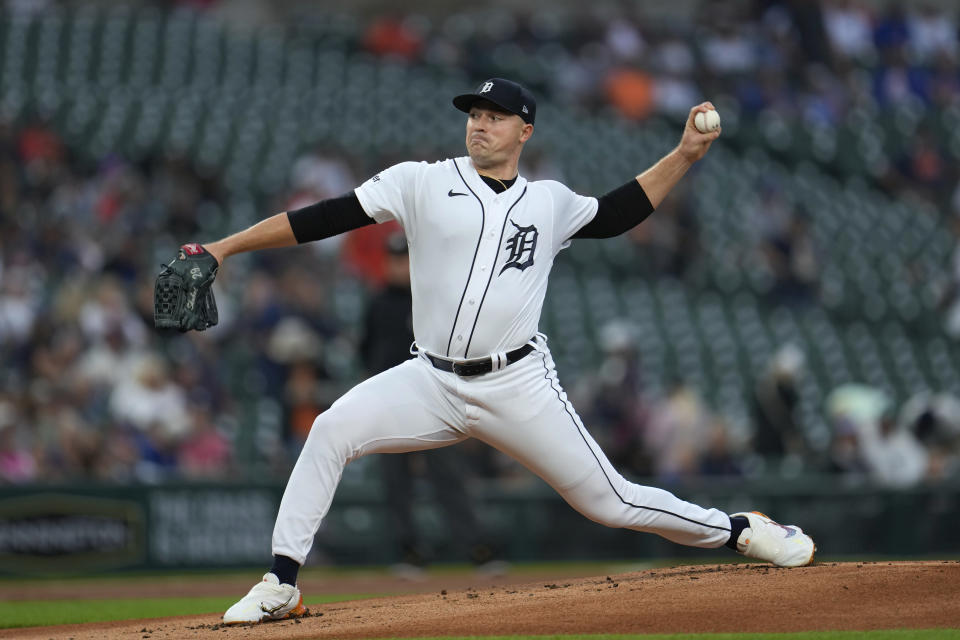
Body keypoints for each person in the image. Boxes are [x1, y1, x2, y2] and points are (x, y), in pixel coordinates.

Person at [181, 78, 815, 624]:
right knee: (329, 430)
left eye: (493, 117)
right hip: (428, 380)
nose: (478, 125)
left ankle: (739, 530)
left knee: (611, 502)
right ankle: (281, 582)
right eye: (473, 115)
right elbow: (321, 217)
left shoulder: (550, 201)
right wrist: (225, 248)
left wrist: (683, 154)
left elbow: (618, 213)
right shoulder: (420, 183)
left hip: (517, 385)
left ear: (525, 131)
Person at [359, 233, 500, 574]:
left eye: (403, 259)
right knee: (397, 483)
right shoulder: (377, 305)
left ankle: (477, 549)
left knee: (449, 476)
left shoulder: (429, 300)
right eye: (393, 259)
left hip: (433, 401)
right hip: (391, 405)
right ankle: (408, 553)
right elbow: (365, 353)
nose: (398, 266)